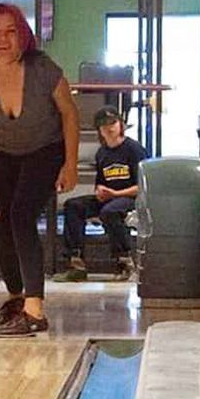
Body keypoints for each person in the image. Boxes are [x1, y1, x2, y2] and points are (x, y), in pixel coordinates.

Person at [0, 3, 80, 336]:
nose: (2, 39)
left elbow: (69, 114)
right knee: (2, 221)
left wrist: (70, 163)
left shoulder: (43, 69)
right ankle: (16, 297)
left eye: (10, 30)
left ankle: (35, 310)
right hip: (2, 155)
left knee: (22, 215)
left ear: (23, 34)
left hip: (45, 151)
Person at [58, 106, 145, 282]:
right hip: (110, 197)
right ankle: (76, 262)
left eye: (113, 123)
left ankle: (124, 260)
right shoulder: (102, 153)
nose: (109, 128)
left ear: (121, 124)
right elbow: (101, 182)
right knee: (73, 206)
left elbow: (143, 186)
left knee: (110, 212)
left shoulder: (134, 150)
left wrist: (115, 193)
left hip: (130, 197)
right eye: (104, 125)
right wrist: (101, 192)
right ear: (99, 130)